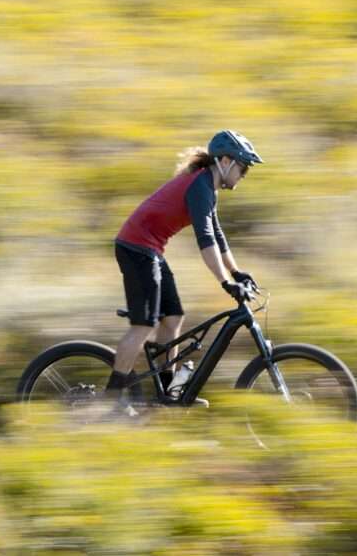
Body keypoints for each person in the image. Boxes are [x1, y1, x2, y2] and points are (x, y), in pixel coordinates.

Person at [108, 130, 263, 412]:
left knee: (173, 318)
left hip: (150, 250)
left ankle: (168, 390)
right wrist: (224, 282)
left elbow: (217, 236)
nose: (244, 175)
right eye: (243, 168)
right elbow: (205, 240)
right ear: (225, 161)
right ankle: (111, 399)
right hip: (135, 249)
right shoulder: (200, 186)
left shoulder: (207, 188)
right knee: (144, 325)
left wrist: (237, 273)